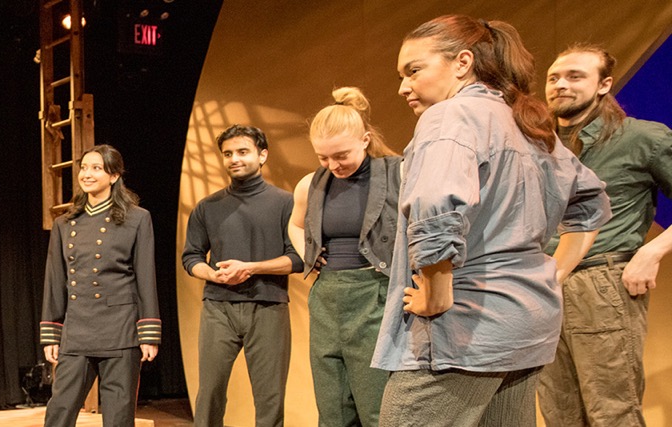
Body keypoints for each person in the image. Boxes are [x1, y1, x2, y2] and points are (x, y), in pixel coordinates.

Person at [371, 15, 611, 426]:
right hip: (524, 325)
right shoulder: (529, 126)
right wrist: (554, 270)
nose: (403, 86)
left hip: (462, 329)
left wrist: (435, 287)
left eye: (414, 70)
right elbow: (589, 203)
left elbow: (435, 203)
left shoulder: (451, 116)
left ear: (462, 62)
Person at [536, 44, 672, 426]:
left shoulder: (642, 138)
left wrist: (653, 251)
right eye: (553, 78)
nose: (560, 84)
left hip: (602, 281)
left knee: (612, 413)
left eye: (575, 76)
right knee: (559, 416)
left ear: (603, 84)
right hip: (544, 284)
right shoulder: (538, 146)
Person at [289, 87, 400, 426]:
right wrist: (310, 254)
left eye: (341, 155)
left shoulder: (397, 173)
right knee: (333, 407)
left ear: (365, 139)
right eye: (323, 157)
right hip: (328, 298)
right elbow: (294, 226)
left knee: (376, 405)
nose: (332, 165)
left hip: (376, 295)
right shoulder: (311, 184)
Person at [183, 125, 302, 427]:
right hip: (218, 307)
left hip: (268, 306)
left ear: (262, 155)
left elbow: (298, 259)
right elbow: (191, 256)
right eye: (228, 154)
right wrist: (212, 274)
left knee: (269, 398)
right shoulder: (207, 207)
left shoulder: (285, 202)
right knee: (209, 393)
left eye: (242, 152)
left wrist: (250, 267)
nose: (234, 159)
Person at [40, 144, 161, 427]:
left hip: (120, 329)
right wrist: (51, 333)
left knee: (119, 415)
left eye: (96, 168)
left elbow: (145, 277)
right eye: (84, 168)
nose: (87, 174)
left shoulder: (137, 218)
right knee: (59, 410)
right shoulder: (65, 223)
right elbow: (56, 280)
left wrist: (149, 331)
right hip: (78, 328)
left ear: (114, 175)